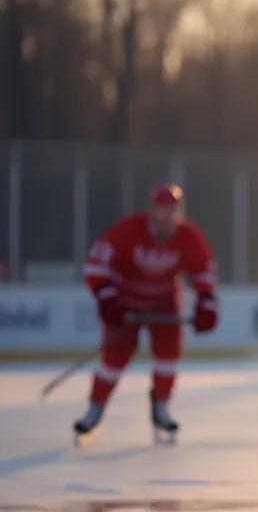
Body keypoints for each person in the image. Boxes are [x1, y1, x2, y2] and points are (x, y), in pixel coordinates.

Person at [73, 184, 218, 443]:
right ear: (152, 209)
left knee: (168, 358)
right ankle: (95, 408)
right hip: (125, 301)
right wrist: (106, 296)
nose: (166, 216)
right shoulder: (127, 230)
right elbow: (96, 264)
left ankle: (160, 406)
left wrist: (206, 299)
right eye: (161, 209)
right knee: (113, 360)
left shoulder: (187, 235)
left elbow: (203, 268)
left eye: (171, 209)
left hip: (165, 302)